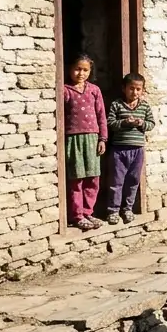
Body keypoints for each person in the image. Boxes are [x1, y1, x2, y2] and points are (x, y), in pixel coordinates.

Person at [103, 73, 155, 225]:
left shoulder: (144, 106)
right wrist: (124, 122)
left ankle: (127, 208)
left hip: (137, 150)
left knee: (133, 180)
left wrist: (141, 124)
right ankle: (113, 210)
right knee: (116, 181)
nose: (135, 92)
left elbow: (151, 124)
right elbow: (110, 122)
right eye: (131, 88)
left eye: (138, 89)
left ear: (143, 90)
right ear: (124, 89)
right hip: (119, 150)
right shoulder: (117, 104)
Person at [63, 54, 106, 232]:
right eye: (77, 69)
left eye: (85, 70)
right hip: (74, 139)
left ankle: (88, 212)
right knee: (77, 178)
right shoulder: (65, 90)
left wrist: (103, 138)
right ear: (69, 69)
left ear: (90, 71)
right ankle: (77, 215)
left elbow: (101, 115)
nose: (81, 73)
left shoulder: (94, 90)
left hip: (92, 139)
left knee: (93, 178)